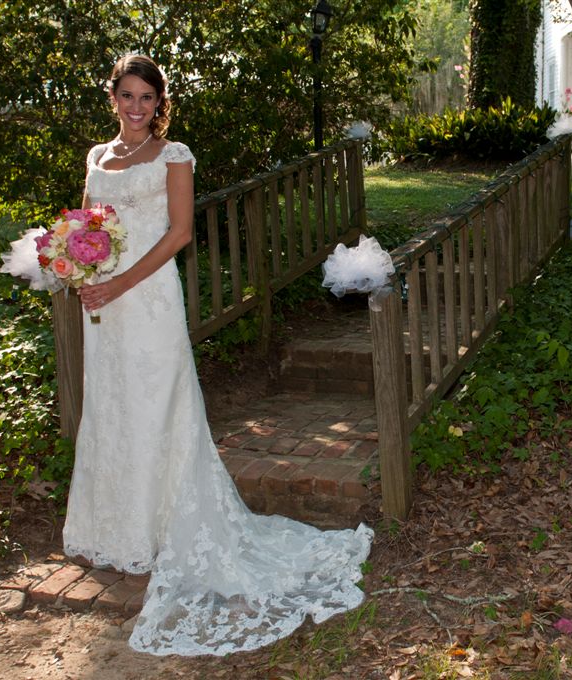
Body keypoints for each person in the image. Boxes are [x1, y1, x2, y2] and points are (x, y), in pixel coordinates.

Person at [63, 54, 373, 657]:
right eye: (127, 95)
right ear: (113, 97)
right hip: (102, 305)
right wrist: (78, 268)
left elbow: (179, 233)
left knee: (158, 406)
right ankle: (118, 530)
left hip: (148, 299)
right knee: (113, 407)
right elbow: (86, 225)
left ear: (159, 103)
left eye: (147, 97)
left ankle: (166, 529)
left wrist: (120, 283)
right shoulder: (97, 157)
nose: (136, 107)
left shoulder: (173, 155)